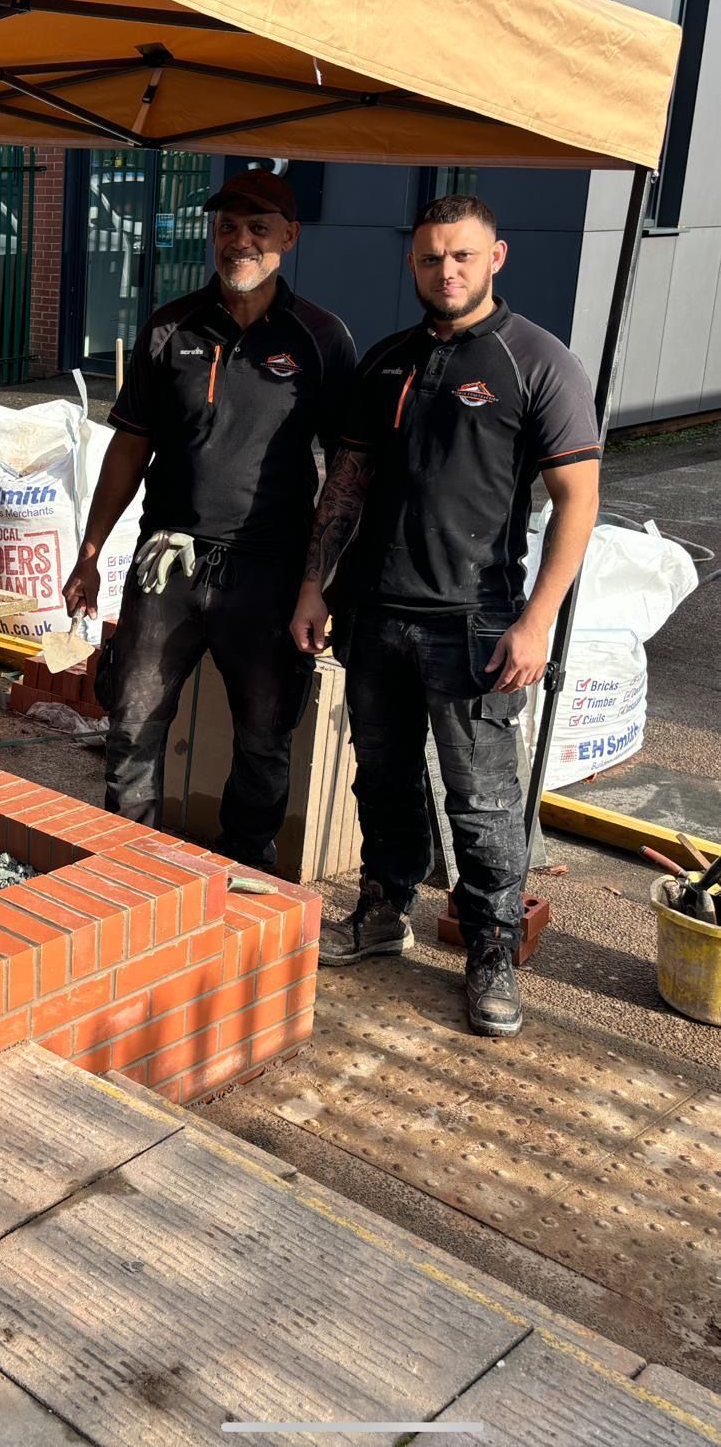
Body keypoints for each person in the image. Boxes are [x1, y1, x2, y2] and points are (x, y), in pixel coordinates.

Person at [291, 193, 600, 1036]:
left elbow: (578, 500)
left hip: (474, 623)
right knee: (382, 777)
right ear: (413, 263)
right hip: (373, 615)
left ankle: (491, 948)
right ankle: (383, 909)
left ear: (495, 258)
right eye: (431, 257)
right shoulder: (386, 361)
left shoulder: (536, 362)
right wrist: (316, 585)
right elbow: (346, 482)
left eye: (462, 255)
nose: (446, 270)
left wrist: (537, 621)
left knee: (483, 800)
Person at [64, 171, 356, 869]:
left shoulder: (320, 338)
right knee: (133, 722)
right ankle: (127, 864)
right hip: (168, 561)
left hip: (268, 571)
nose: (239, 240)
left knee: (263, 733)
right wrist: (91, 551)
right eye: (227, 226)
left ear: (290, 237)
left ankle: (244, 868)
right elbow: (130, 446)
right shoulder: (172, 327)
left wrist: (318, 584)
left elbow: (349, 472)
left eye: (258, 227)